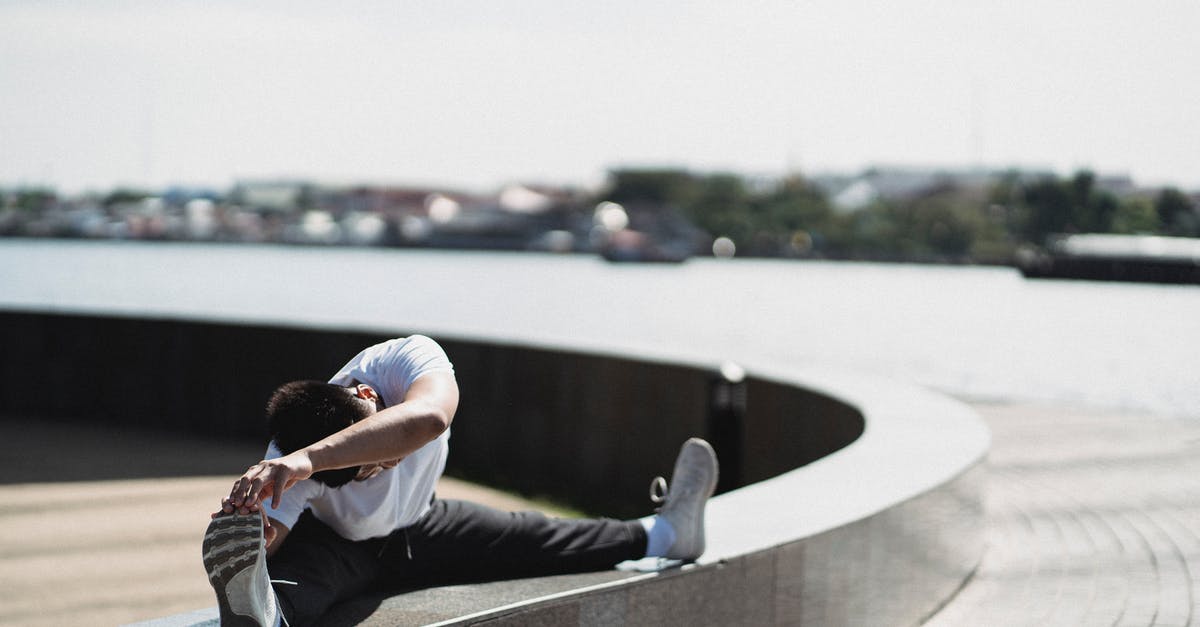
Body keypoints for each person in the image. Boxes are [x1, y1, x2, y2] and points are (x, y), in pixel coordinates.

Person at [202, 335, 719, 627]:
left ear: (367, 395)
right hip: (341, 544)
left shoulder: (405, 360)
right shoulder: (285, 452)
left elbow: (430, 418)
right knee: (298, 580)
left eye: (373, 459)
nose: (382, 468)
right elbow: (277, 529)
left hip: (424, 525)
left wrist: (310, 461)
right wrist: (256, 539)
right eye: (364, 474)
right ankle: (265, 616)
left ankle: (669, 533)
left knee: (536, 535)